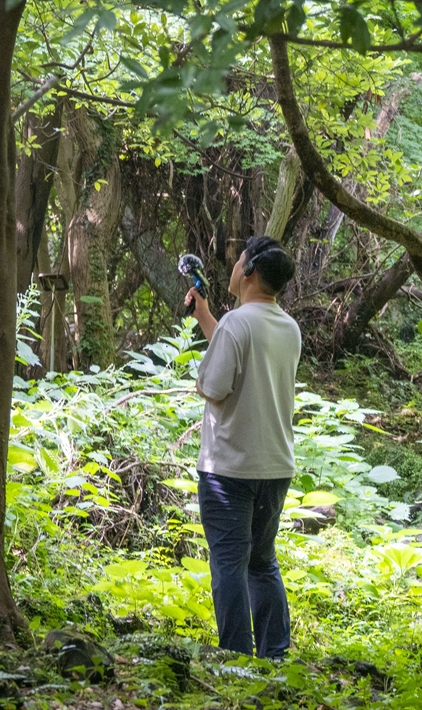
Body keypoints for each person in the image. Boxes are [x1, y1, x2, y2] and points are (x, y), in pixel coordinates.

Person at [184, 236, 301, 660]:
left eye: (238, 261)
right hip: (274, 466)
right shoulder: (287, 327)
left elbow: (215, 386)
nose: (233, 267)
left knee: (228, 564)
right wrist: (207, 320)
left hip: (229, 467)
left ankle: (234, 659)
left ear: (249, 272)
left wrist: (202, 370)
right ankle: (275, 654)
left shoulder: (237, 324)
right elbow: (247, 359)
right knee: (261, 562)